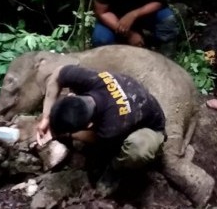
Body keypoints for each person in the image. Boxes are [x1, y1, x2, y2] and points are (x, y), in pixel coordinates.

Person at [37, 65, 166, 196]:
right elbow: (57, 74)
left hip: (150, 126)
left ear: (89, 125)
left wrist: (67, 134)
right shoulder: (88, 79)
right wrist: (46, 117)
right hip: (129, 95)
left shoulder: (113, 127)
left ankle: (115, 170)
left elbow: (95, 138)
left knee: (137, 151)